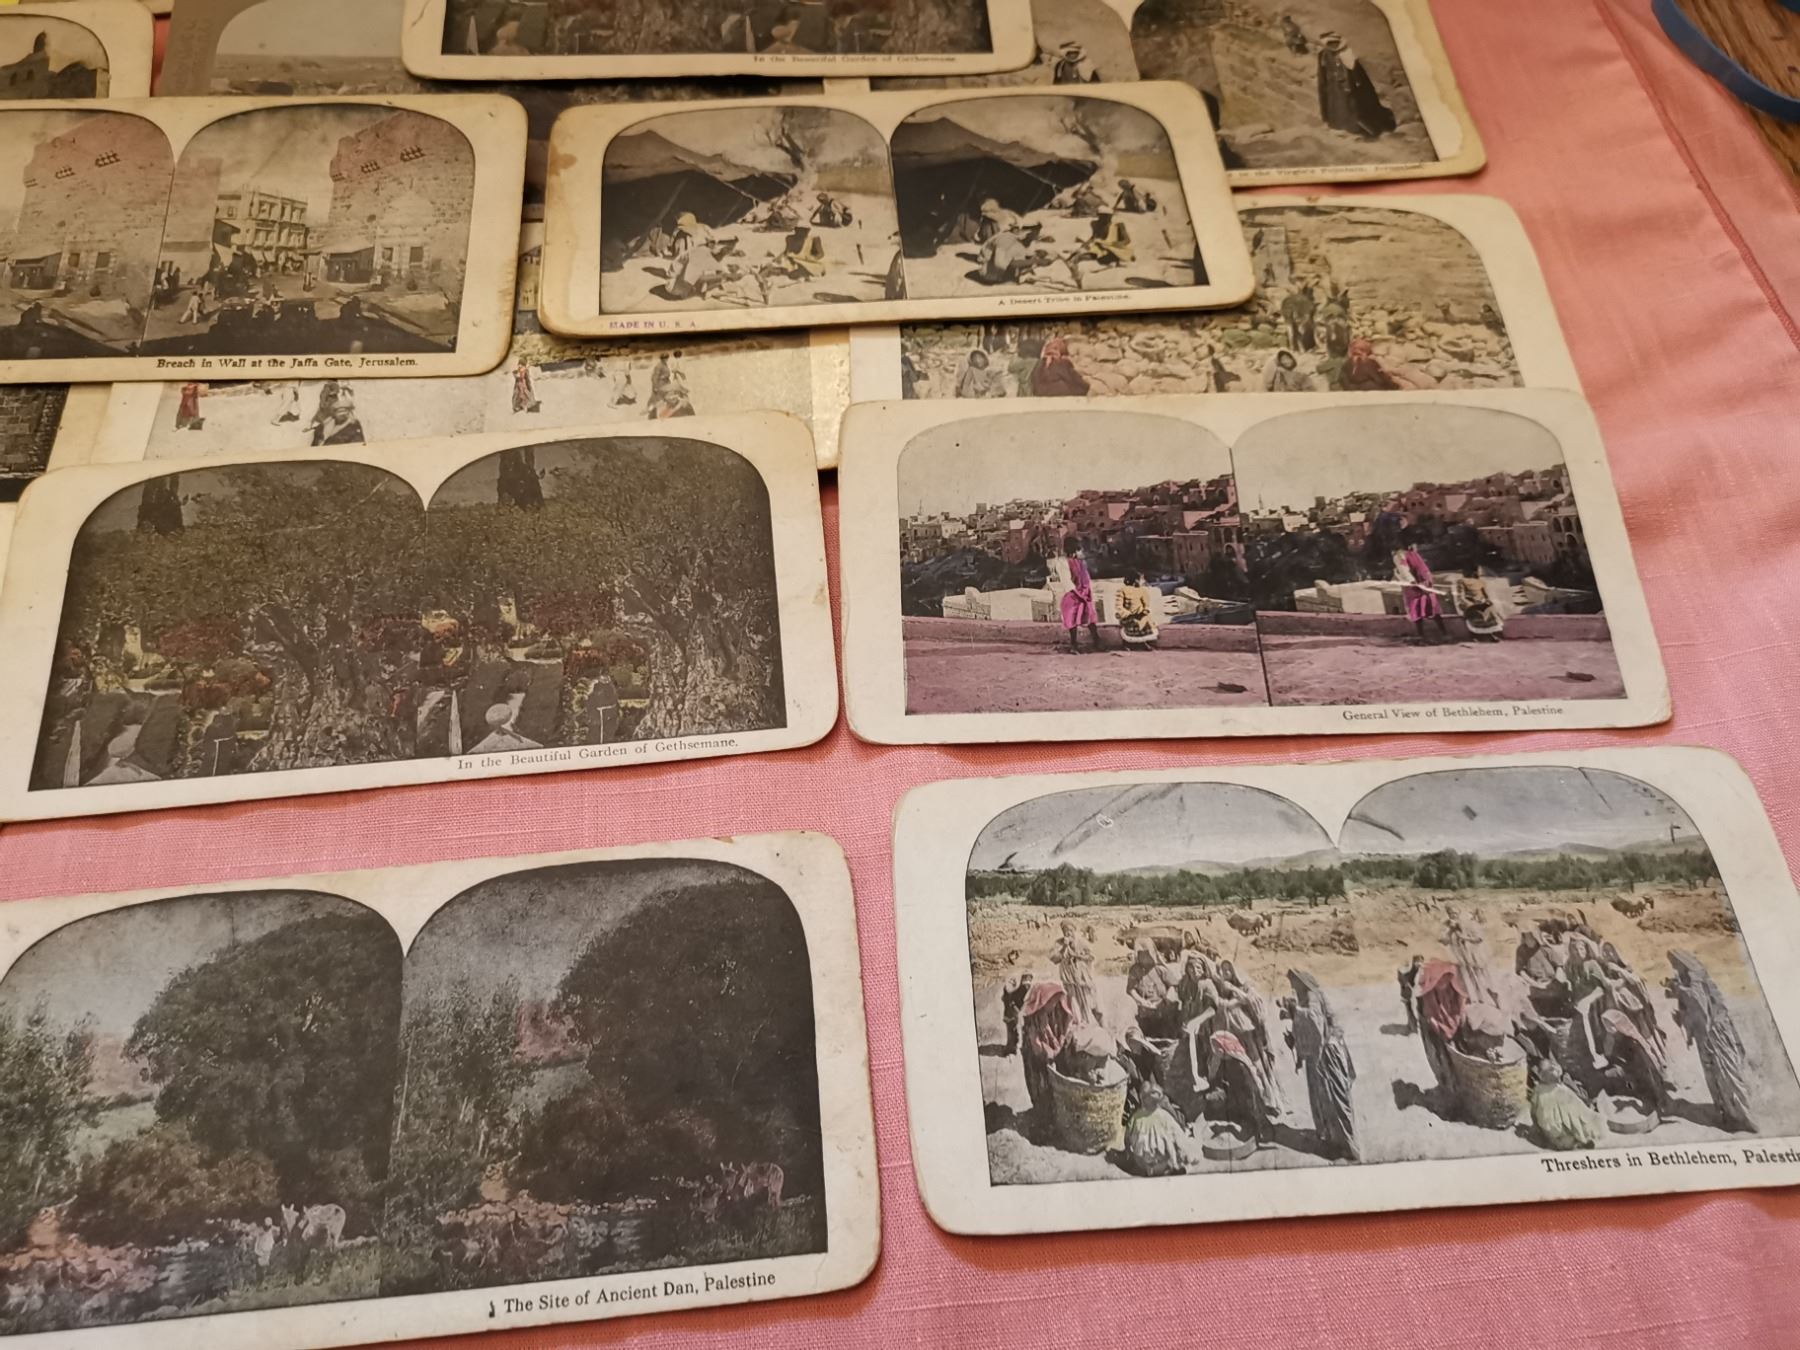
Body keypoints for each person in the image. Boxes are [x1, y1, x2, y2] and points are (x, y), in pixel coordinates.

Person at [1667, 951, 1756, 1132]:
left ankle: (1746, 1116)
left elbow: (1700, 1003)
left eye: (1675, 961)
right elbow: (1690, 1010)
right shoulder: (1684, 981)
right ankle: (1728, 1114)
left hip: (1716, 1033)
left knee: (1728, 1073)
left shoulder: (1696, 977)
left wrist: (1679, 991)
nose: (1673, 966)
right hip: (1704, 1037)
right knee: (1713, 1075)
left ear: (1683, 961)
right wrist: (1681, 1015)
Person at [1286, 969, 1360, 1161]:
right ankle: (1330, 1138)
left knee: (1334, 1099)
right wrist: (1294, 1036)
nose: (1291, 984)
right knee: (1321, 1098)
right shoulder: (1304, 997)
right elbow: (1305, 1025)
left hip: (1327, 1054)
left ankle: (1348, 1147)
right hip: (1316, 1056)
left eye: (1293, 980)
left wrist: (1295, 1011)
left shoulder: (1313, 996)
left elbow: (1315, 1021)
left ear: (1302, 981)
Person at [1317, 31, 1396, 139]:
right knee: (1336, 107)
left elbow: (1356, 73)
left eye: (1334, 43)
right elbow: (1323, 73)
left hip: (1349, 87)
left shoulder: (1347, 54)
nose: (1332, 46)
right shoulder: (1324, 55)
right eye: (1329, 43)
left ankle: (1358, 129)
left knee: (1353, 108)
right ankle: (1339, 127)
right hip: (1333, 87)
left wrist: (1354, 84)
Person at [1018, 981, 1077, 1121]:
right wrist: (1051, 1052)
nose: (1054, 1004)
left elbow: (1064, 1026)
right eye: (1051, 1002)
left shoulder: (1056, 1011)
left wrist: (1060, 1041)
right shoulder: (1032, 1019)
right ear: (1042, 1001)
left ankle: (1052, 1113)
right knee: (1039, 1085)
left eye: (1056, 1001)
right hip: (1036, 1057)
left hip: (1050, 1054)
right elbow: (1036, 1045)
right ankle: (1041, 1115)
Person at [1415, 960, 1467, 1091]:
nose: (1444, 981)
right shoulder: (1429, 994)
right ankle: (1448, 1083)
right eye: (1441, 978)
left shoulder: (1454, 988)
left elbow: (1460, 1006)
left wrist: (1457, 1020)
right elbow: (1430, 1015)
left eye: (1447, 977)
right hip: (1437, 1030)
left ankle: (1458, 1083)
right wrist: (1441, 1029)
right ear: (1434, 979)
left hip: (1453, 1027)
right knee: (1442, 1058)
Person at [1123, 1079, 1193, 1177]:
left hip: (1159, 1157)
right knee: (1165, 1139)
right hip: (1147, 1159)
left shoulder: (1162, 1115)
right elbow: (1128, 1136)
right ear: (1144, 1099)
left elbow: (1178, 1135)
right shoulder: (1139, 1117)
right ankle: (1168, 1166)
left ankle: (1171, 1166)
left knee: (1167, 1140)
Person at [1530, 1057, 1603, 1150]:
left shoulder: (1540, 1090)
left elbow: (1533, 1109)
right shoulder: (1557, 1089)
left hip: (1554, 1122)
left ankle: (1575, 1137)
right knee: (1571, 1119)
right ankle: (1579, 1137)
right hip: (1557, 1122)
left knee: (1569, 1118)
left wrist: (1535, 1121)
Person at [1051, 538, 1101, 653]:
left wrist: (1086, 593)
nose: (1081, 552)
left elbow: (1086, 579)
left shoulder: (1080, 563)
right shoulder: (1062, 563)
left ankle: (1097, 641)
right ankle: (1074, 645)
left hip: (1084, 594)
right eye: (1078, 549)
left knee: (1090, 618)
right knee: (1072, 619)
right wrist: (1079, 595)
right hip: (1073, 595)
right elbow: (1067, 582)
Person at [1393, 545, 1448, 643]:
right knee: (1417, 609)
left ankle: (1444, 632)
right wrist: (1413, 582)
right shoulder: (1400, 555)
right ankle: (1421, 635)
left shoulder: (1414, 553)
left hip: (1425, 583)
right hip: (1414, 587)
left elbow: (1423, 567)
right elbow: (1404, 570)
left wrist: (1428, 580)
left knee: (1433, 607)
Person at [666, 212, 727, 300]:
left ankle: (706, 287)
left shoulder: (703, 228)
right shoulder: (681, 238)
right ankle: (698, 289)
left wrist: (710, 247)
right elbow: (680, 258)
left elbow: (714, 242)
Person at [1051, 919, 1098, 1024]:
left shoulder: (1082, 942)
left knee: (1088, 1002)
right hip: (1069, 980)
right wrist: (1064, 947)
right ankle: (1078, 1023)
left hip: (1082, 979)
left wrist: (1077, 956)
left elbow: (1091, 957)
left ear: (1074, 930)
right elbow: (1054, 960)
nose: (1068, 933)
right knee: (1073, 1004)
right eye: (1065, 931)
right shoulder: (1059, 943)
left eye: (1070, 930)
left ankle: (1090, 1022)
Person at [1117, 570, 1160, 650]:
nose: (1144, 581)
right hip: (1128, 617)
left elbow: (1147, 605)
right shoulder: (1122, 590)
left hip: (1141, 616)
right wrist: (1127, 614)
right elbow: (1119, 606)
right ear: (1136, 580)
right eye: (1142, 579)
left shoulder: (1142, 591)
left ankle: (1144, 642)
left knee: (1146, 622)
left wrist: (1143, 612)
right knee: (1131, 623)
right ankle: (1127, 643)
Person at [1457, 571, 1505, 641]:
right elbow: (1461, 597)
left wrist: (1485, 602)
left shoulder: (1478, 582)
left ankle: (1487, 634)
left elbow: (1486, 595)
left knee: (1488, 612)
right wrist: (1473, 604)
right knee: (1478, 613)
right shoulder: (1466, 581)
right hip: (1473, 604)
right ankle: (1479, 634)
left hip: (1478, 604)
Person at [1000, 971, 1035, 1055]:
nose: (1027, 986)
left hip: (1014, 1013)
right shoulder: (1018, 991)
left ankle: (1014, 1047)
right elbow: (1012, 1003)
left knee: (1016, 1031)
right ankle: (1010, 1048)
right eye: (1026, 985)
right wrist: (1018, 1013)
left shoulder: (1024, 990)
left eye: (1028, 984)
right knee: (1012, 1031)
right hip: (1011, 1014)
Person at [1280, 283, 1317, 351]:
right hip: (1301, 317)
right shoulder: (1307, 302)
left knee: (1291, 332)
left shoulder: (1288, 300)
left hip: (1289, 314)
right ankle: (1301, 348)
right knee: (1300, 332)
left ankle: (1293, 348)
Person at [1397, 953, 1424, 1032]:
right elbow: (1401, 977)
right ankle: (1412, 1026)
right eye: (1417, 962)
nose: (1419, 964)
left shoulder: (1420, 970)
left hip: (1416, 993)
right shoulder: (1406, 970)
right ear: (1414, 962)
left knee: (1418, 1009)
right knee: (1409, 1009)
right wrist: (1406, 985)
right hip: (1407, 993)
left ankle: (1414, 1025)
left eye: (1420, 962)